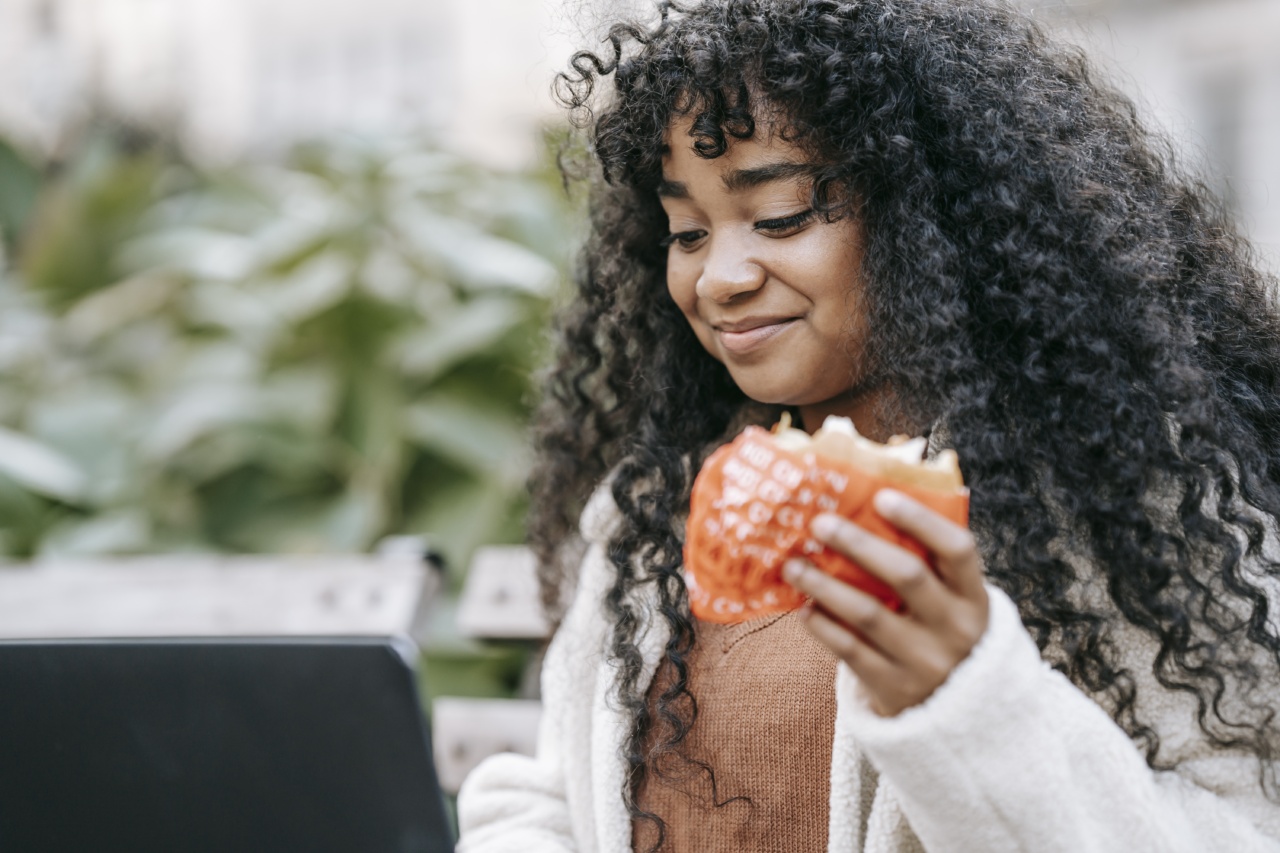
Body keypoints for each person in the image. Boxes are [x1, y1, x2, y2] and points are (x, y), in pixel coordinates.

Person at [457, 0, 1280, 850]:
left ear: (930, 219)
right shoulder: (655, 515)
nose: (719, 277)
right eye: (688, 230)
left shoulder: (1108, 502)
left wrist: (969, 702)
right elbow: (552, 795)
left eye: (778, 216)